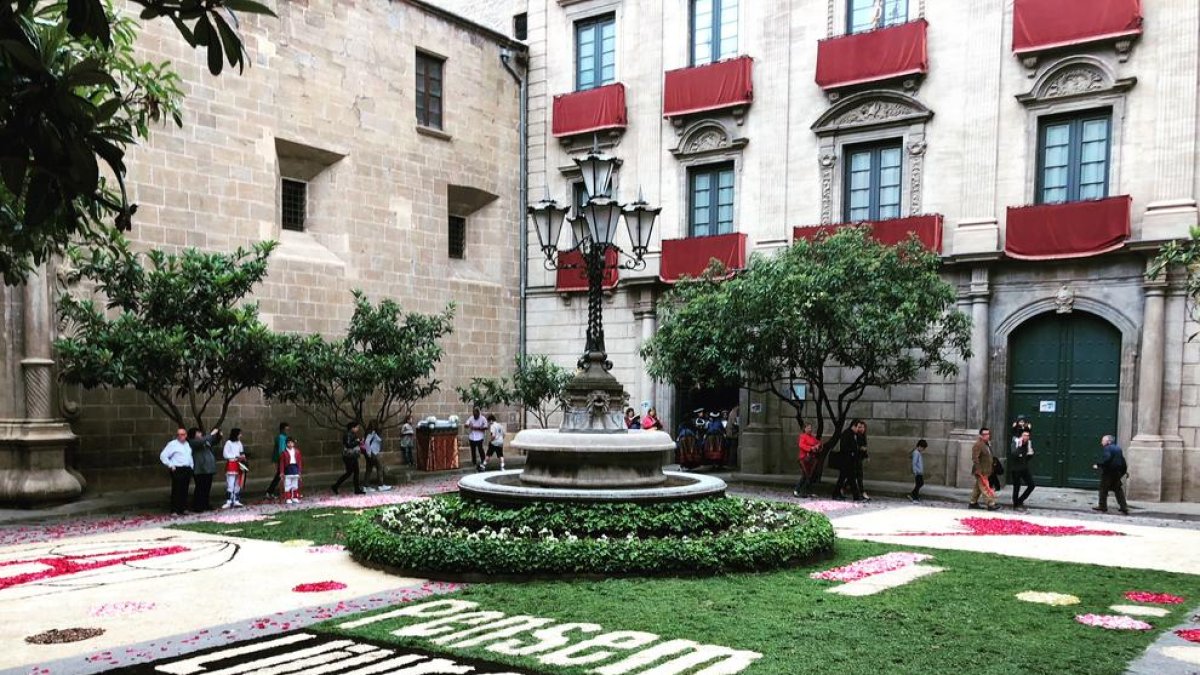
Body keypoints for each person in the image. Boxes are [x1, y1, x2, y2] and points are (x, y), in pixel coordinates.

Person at [160, 427, 193, 516]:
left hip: (186, 469)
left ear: (186, 435)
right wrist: (170, 465)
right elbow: (163, 455)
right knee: (177, 489)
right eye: (178, 434)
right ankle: (174, 510)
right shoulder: (172, 444)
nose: (180, 436)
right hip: (177, 469)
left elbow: (189, 456)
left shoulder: (187, 444)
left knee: (185, 489)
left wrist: (191, 466)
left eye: (182, 434)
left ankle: (183, 508)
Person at [1093, 434, 1130, 514]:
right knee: (1118, 490)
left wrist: (1099, 465)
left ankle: (1102, 506)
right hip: (1117, 472)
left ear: (1108, 441)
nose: (1101, 442)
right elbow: (1123, 461)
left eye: (1103, 440)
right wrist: (1124, 471)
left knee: (1103, 489)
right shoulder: (1118, 448)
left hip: (1108, 472)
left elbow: (1107, 459)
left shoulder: (1107, 448)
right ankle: (1124, 507)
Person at [832, 420, 865, 501]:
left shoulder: (853, 434)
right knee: (851, 479)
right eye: (858, 427)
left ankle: (836, 494)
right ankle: (856, 497)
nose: (858, 429)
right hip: (846, 460)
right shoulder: (847, 433)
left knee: (843, 478)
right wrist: (854, 451)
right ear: (853, 426)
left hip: (849, 460)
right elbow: (845, 447)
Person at [968, 427, 999, 511]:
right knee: (985, 487)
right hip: (981, 471)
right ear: (980, 435)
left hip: (987, 470)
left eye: (988, 434)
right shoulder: (978, 444)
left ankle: (973, 502)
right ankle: (990, 504)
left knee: (978, 488)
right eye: (985, 434)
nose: (987, 436)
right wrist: (978, 470)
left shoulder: (987, 444)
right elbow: (975, 458)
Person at [189, 427, 217, 512]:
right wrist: (211, 434)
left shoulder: (204, 441)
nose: (200, 434)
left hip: (208, 469)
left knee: (207, 488)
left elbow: (212, 442)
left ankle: (205, 504)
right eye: (198, 432)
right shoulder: (192, 442)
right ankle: (198, 506)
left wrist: (218, 436)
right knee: (200, 488)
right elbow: (202, 441)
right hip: (200, 469)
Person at [333, 421, 365, 495]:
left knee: (356, 472)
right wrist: (357, 442)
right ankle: (335, 486)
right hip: (348, 456)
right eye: (356, 427)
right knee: (349, 472)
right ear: (352, 428)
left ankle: (357, 489)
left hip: (353, 456)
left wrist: (359, 441)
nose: (357, 429)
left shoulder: (353, 434)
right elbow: (348, 445)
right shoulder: (348, 434)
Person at [1009, 430, 1036, 511]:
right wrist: (1020, 446)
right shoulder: (1016, 442)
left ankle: (1020, 500)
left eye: (1027, 435)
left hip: (1024, 468)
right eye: (1024, 435)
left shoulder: (1028, 444)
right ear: (1021, 436)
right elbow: (1014, 454)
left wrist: (1031, 453)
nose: (1026, 437)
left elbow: (1027, 457)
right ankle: (1015, 504)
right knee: (1017, 487)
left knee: (1031, 485)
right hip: (1016, 469)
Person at [793, 423, 821, 498]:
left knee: (809, 475)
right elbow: (801, 445)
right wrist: (811, 448)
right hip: (803, 458)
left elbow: (818, 442)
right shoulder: (802, 436)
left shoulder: (812, 437)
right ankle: (797, 490)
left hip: (811, 459)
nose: (810, 429)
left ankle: (804, 491)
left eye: (810, 428)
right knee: (805, 475)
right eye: (808, 428)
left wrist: (817, 446)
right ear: (804, 429)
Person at [221, 428, 246, 509]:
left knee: (237, 483)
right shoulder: (228, 443)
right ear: (235, 434)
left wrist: (242, 457)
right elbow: (225, 454)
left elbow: (242, 452)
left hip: (239, 464)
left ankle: (236, 500)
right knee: (230, 483)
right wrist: (234, 456)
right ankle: (228, 501)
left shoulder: (239, 443)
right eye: (239, 434)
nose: (240, 435)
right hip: (231, 463)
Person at [266, 422, 289, 499]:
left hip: (281, 459)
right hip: (281, 459)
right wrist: (284, 458)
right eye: (286, 429)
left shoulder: (283, 437)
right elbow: (281, 450)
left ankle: (271, 491)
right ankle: (270, 492)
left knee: (280, 476)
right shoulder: (281, 437)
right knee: (279, 475)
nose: (287, 431)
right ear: (282, 429)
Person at [364, 422, 390, 491]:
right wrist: (369, 452)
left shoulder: (372, 432)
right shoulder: (371, 432)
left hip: (371, 453)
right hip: (372, 453)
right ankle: (381, 485)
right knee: (379, 467)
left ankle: (366, 486)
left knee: (369, 469)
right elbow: (366, 442)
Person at [277, 436, 304, 504]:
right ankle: (288, 497)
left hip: (295, 468)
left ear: (293, 443)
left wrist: (299, 470)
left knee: (295, 484)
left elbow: (300, 462)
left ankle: (294, 497)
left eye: (291, 443)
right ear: (286, 444)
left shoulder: (297, 452)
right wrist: (282, 472)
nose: (290, 444)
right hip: (288, 469)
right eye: (288, 443)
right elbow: (282, 463)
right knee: (287, 484)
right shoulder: (284, 453)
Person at [466, 407, 489, 472]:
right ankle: (474, 462)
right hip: (472, 437)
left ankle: (483, 461)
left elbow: (486, 427)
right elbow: (466, 424)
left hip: (479, 437)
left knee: (480, 449)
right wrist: (468, 425)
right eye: (474, 415)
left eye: (476, 415)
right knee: (473, 450)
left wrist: (478, 428)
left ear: (478, 413)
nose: (475, 416)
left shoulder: (483, 418)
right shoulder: (471, 418)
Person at [910, 439, 927, 504]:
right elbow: (914, 463)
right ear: (919, 446)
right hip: (917, 472)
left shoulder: (918, 452)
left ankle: (913, 494)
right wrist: (915, 471)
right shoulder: (916, 453)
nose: (923, 450)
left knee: (920, 483)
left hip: (919, 472)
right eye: (923, 448)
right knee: (919, 484)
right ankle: (914, 497)